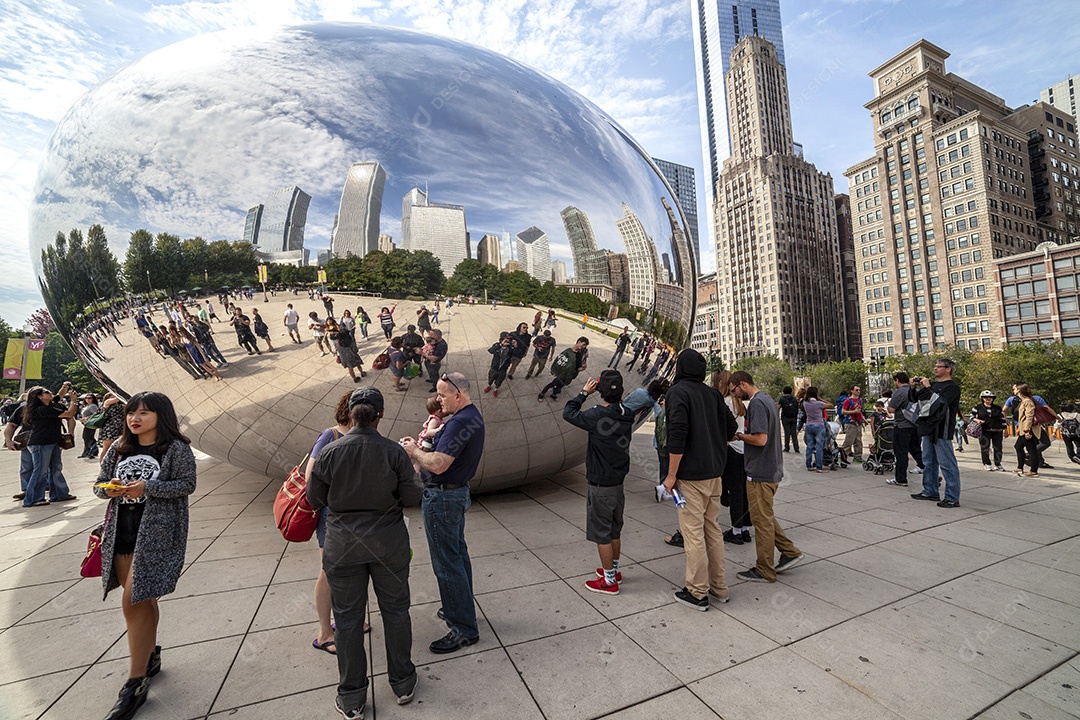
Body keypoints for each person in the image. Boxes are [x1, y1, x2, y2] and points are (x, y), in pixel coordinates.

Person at [307, 388, 422, 717]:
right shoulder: (394, 453)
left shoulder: (330, 452)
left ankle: (352, 697)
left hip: (342, 544)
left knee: (347, 620)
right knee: (396, 612)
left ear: (351, 414)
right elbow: (412, 497)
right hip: (388, 542)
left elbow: (315, 499)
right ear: (380, 415)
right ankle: (402, 683)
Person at [94, 392, 197, 720]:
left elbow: (187, 485)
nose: (135, 418)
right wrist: (108, 489)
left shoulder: (176, 449)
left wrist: (148, 488)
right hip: (121, 531)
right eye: (131, 413)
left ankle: (135, 683)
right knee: (143, 597)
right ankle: (150, 655)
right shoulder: (118, 449)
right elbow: (98, 485)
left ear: (161, 416)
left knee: (133, 601)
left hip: (157, 533)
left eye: (144, 413)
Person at [401, 372, 485, 654]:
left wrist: (414, 451)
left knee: (446, 564)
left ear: (457, 395)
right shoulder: (470, 416)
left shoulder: (460, 421)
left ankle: (463, 628)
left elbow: (438, 464)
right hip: (454, 495)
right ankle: (459, 609)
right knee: (458, 557)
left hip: (443, 498)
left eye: (442, 395)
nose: (438, 400)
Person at [661, 349, 737, 611]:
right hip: (715, 474)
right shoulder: (713, 394)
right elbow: (732, 428)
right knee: (712, 530)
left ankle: (697, 592)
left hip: (690, 477)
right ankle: (719, 587)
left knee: (692, 534)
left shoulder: (677, 393)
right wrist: (713, 445)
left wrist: (671, 475)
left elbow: (677, 434)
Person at [562, 370, 634, 595]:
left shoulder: (596, 415)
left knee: (602, 533)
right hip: (617, 482)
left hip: (600, 484)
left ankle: (609, 581)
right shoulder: (627, 413)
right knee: (614, 530)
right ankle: (613, 570)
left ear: (600, 390)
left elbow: (569, 413)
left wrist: (584, 392)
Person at [730, 371, 804, 583]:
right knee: (766, 516)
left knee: (760, 521)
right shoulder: (768, 400)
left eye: (734, 390)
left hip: (760, 472)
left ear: (742, 384)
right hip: (770, 469)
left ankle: (764, 569)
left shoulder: (756, 404)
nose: (734, 395)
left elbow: (760, 439)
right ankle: (789, 552)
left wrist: (738, 436)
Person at [911, 358, 962, 508]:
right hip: (928, 427)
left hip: (942, 428)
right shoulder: (932, 385)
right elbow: (916, 399)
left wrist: (928, 388)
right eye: (935, 366)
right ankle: (930, 490)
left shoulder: (952, 387)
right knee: (928, 461)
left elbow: (939, 403)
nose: (935, 369)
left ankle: (952, 497)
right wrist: (913, 387)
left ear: (948, 369)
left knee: (947, 463)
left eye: (939, 367)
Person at [22, 383, 78, 507]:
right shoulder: (42, 409)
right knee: (40, 472)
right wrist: (74, 401)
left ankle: (59, 494)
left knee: (56, 468)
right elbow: (69, 414)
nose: (50, 393)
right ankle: (32, 499)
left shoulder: (49, 405)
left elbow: (59, 396)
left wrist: (65, 387)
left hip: (52, 442)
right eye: (46, 392)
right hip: (41, 444)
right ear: (40, 397)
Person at [715, 370, 750, 545]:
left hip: (732, 448)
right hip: (744, 450)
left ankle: (735, 530)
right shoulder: (741, 404)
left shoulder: (725, 402)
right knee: (743, 491)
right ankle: (744, 528)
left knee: (734, 491)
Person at [886, 372, 922, 486]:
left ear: (897, 380)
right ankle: (930, 472)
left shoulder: (899, 392)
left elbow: (891, 409)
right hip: (915, 425)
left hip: (902, 425)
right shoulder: (915, 390)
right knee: (916, 451)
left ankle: (901, 479)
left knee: (901, 453)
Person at [538, 337, 589, 402]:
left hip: (568, 375)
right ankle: (541, 394)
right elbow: (559, 359)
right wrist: (554, 369)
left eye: (585, 346)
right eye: (583, 344)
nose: (584, 347)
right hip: (561, 374)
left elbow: (577, 368)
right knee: (552, 384)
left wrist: (583, 368)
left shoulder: (579, 355)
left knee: (560, 386)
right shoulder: (568, 351)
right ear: (579, 342)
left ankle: (553, 395)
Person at [3, 393, 33, 502]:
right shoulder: (23, 409)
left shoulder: (50, 407)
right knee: (27, 466)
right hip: (27, 441)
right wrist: (8, 441)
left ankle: (51, 488)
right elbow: (11, 425)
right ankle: (26, 490)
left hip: (47, 441)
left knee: (50, 467)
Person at [1013, 383, 1044, 478]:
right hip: (1023, 429)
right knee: (1018, 446)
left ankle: (1034, 471)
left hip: (1028, 430)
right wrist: (1020, 428)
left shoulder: (1028, 401)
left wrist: (1027, 430)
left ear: (1019, 390)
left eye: (1014, 389)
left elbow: (1029, 416)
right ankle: (1020, 467)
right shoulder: (1023, 401)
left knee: (1032, 450)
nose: (1013, 390)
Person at [972, 390, 1005, 471]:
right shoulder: (978, 407)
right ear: (982, 399)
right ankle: (987, 463)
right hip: (984, 430)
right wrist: (977, 420)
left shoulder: (997, 408)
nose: (988, 399)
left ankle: (997, 464)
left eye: (990, 397)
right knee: (985, 447)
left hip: (997, 430)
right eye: (986, 397)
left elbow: (1002, 418)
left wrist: (1005, 429)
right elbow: (971, 417)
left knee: (998, 448)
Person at [801, 387, 829, 473]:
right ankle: (819, 467)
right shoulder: (818, 403)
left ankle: (808, 465)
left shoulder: (805, 403)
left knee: (809, 446)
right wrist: (820, 399)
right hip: (819, 425)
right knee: (819, 447)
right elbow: (830, 404)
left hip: (809, 425)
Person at [334, 314, 366, 383]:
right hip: (353, 356)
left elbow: (337, 350)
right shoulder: (350, 341)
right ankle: (362, 373)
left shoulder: (337, 342)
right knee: (358, 365)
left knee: (350, 369)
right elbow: (355, 349)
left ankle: (354, 378)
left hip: (345, 358)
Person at [840, 385, 866, 463]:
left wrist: (863, 419)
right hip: (850, 422)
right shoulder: (848, 400)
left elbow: (860, 411)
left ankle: (858, 456)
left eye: (859, 390)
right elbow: (843, 411)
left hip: (858, 422)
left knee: (858, 441)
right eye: (856, 390)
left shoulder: (860, 400)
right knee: (849, 441)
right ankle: (842, 455)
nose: (858, 392)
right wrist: (853, 412)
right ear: (852, 391)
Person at [484, 332, 514, 397]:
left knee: (499, 380)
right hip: (494, 367)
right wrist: (501, 345)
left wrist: (515, 346)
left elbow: (515, 354)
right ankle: (489, 385)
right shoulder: (497, 345)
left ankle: (495, 389)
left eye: (509, 339)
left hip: (503, 369)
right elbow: (490, 351)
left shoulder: (510, 348)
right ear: (501, 339)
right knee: (491, 378)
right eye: (506, 339)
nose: (507, 341)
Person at [424, 329, 447, 394]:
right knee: (431, 373)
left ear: (437, 335)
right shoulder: (435, 341)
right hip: (428, 361)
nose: (430, 336)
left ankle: (436, 386)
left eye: (432, 335)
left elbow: (434, 358)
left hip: (434, 364)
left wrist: (422, 354)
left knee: (434, 375)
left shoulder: (441, 345)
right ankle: (432, 379)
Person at [777, 386, 800, 452]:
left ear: (783, 391)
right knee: (794, 433)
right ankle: (796, 448)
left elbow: (778, 407)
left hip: (785, 418)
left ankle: (787, 447)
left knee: (787, 432)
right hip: (794, 418)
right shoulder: (794, 399)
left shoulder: (782, 399)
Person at [79, 393, 102, 458]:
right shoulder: (86, 406)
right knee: (88, 437)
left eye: (90, 398)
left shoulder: (93, 406)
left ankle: (92, 451)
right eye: (86, 398)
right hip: (87, 423)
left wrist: (87, 418)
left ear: (93, 399)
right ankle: (88, 452)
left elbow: (96, 414)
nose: (88, 399)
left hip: (91, 423)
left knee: (87, 437)